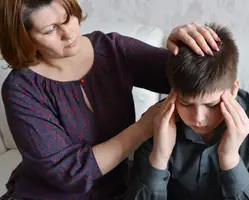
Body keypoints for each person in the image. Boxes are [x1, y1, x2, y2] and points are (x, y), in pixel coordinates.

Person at [0, 0, 220, 199]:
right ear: (25, 39)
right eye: (49, 30)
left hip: (117, 190)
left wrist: (180, 48)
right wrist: (145, 126)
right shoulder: (21, 90)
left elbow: (193, 81)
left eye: (68, 18)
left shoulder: (112, 49)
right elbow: (69, 173)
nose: (68, 33)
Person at [124, 23, 249, 200]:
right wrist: (159, 157)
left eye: (212, 105)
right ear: (173, 92)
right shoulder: (157, 122)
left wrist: (229, 158)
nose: (198, 118)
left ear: (233, 90)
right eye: (185, 103)